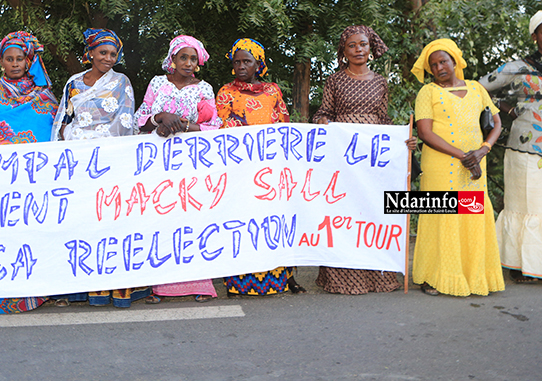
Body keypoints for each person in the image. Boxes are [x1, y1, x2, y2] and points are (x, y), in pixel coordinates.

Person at [312, 26, 416, 295]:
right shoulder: (334, 81)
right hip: (343, 156)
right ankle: (342, 278)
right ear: (343, 51)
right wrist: (323, 121)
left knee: (371, 210)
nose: (358, 49)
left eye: (363, 44)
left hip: (373, 159)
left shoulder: (381, 81)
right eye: (352, 46)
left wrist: (402, 140)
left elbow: (384, 120)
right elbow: (323, 112)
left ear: (371, 48)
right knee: (343, 213)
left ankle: (378, 277)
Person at [51, 28, 146, 308]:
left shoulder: (122, 82)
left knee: (112, 221)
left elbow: (125, 122)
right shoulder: (74, 83)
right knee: (84, 222)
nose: (108, 58)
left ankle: (120, 288)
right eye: (103, 52)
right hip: (79, 164)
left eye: (113, 54)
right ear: (90, 53)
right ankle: (88, 288)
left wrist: (82, 136)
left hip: (111, 161)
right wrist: (69, 139)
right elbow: (62, 122)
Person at [0, 31, 59, 313]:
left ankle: (37, 291)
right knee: (2, 236)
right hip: (0, 183)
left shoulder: (44, 96)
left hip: (34, 180)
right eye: (8, 59)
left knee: (34, 232)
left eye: (19, 58)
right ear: (1, 61)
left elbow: (53, 135)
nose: (14, 64)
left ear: (28, 60)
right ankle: (2, 293)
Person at [411, 38, 505, 297]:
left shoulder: (477, 89)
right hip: (442, 166)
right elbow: (425, 132)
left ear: (454, 62)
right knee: (441, 216)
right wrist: (463, 155)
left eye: (443, 61)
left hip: (475, 166)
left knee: (472, 214)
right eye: (433, 64)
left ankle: (472, 274)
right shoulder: (427, 93)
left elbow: (497, 123)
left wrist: (483, 149)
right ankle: (432, 277)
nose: (439, 67)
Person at [215, 38, 305, 297]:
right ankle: (238, 283)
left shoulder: (272, 91)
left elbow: (283, 125)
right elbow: (222, 128)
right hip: (238, 167)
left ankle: (281, 279)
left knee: (273, 221)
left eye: (247, 61)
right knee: (241, 222)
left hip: (270, 168)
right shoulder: (225, 92)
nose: (241, 65)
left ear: (258, 64)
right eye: (237, 61)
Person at [134, 35, 220, 304]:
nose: (188, 63)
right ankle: (157, 287)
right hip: (157, 162)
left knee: (191, 218)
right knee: (159, 216)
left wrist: (180, 126)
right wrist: (160, 119)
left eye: (193, 58)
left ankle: (198, 285)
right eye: (183, 57)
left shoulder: (204, 88)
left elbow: (214, 125)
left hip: (191, 162)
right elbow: (140, 117)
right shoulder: (158, 83)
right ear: (172, 59)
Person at [479, 11, 542, 283]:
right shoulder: (517, 67)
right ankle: (520, 267)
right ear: (534, 36)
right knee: (524, 205)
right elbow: (479, 89)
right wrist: (509, 109)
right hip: (524, 149)